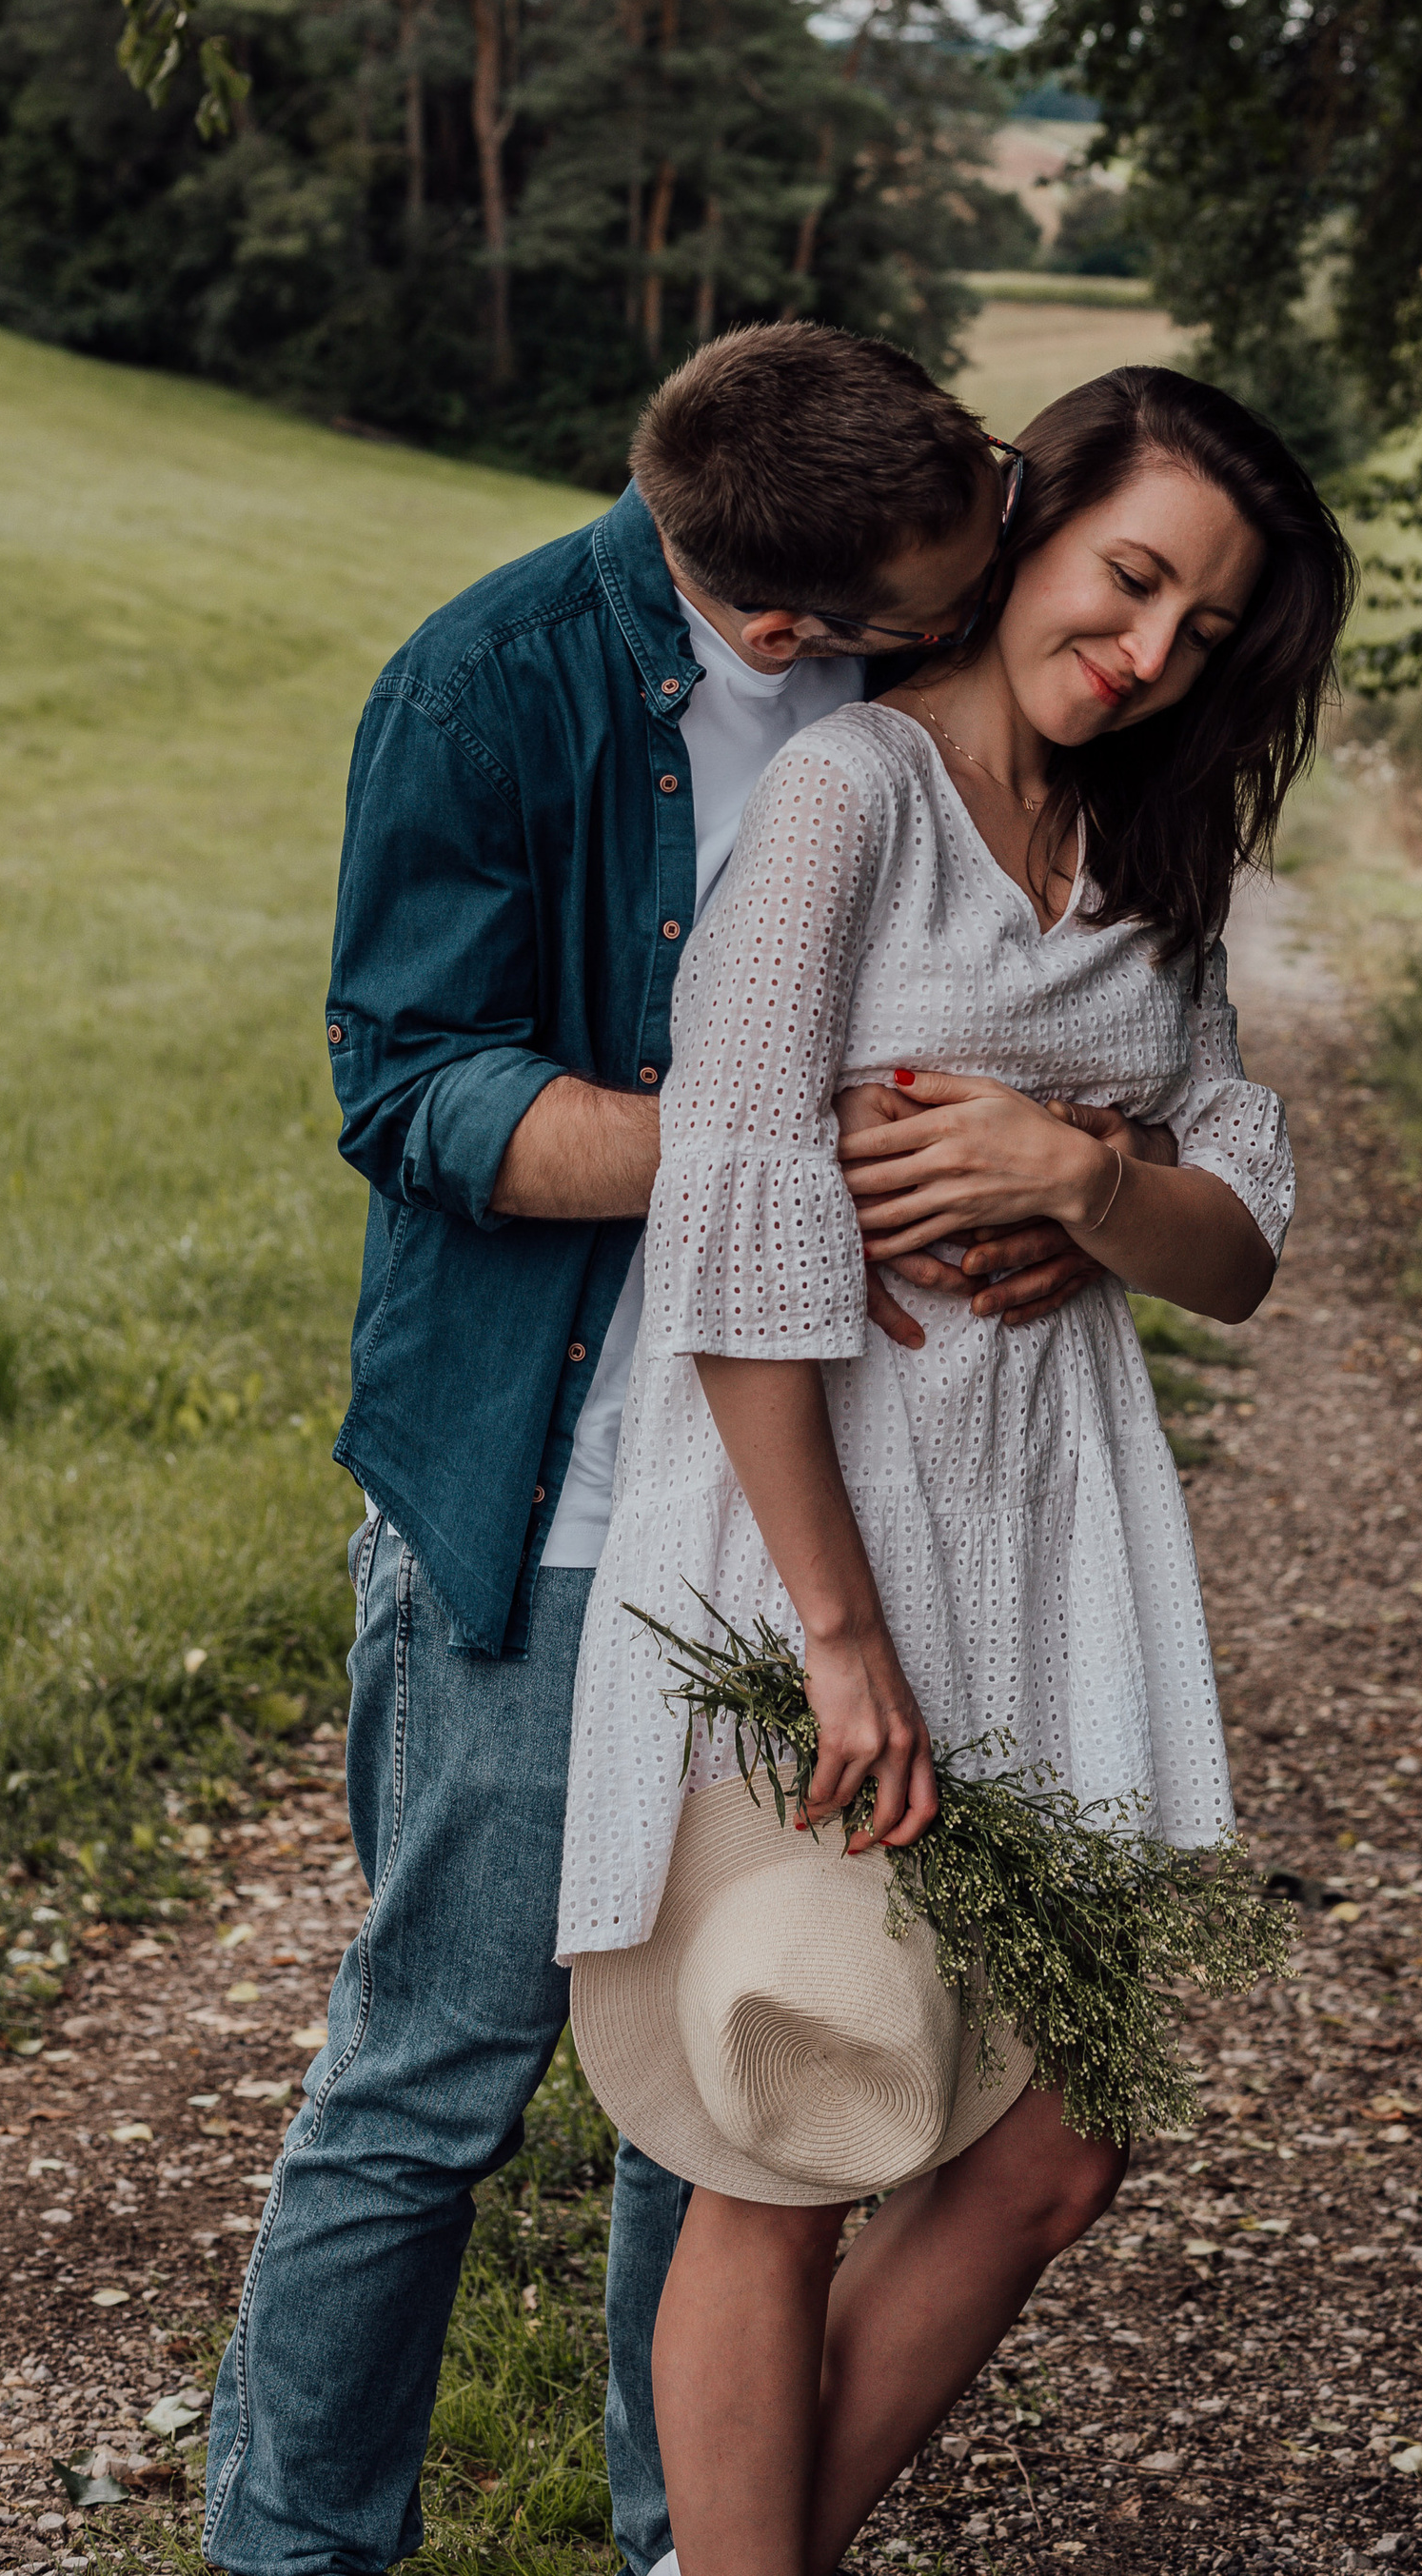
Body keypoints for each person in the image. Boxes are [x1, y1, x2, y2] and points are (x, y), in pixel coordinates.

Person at [203, 322, 1120, 2576]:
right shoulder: (482, 684)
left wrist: (1054, 1193)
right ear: (793, 618)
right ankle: (291, 2549)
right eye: (953, 571)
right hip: (551, 1497)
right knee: (431, 2082)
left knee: (724, 2101)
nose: (1008, 576)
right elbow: (406, 1091)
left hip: (813, 1500)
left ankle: (687, 2545)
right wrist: (753, 1149)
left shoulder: (935, 687)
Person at [559, 364, 1356, 2576]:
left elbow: (1238, 1249)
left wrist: (1072, 1178)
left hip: (1055, 1540)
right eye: (1128, 582)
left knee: (1056, 2142)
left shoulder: (1144, 855)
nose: (1145, 653)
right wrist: (835, 1638)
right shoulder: (847, 807)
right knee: (790, 2124)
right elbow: (729, 1222)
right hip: (813, 1535)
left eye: (1203, 635)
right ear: (1030, 521)